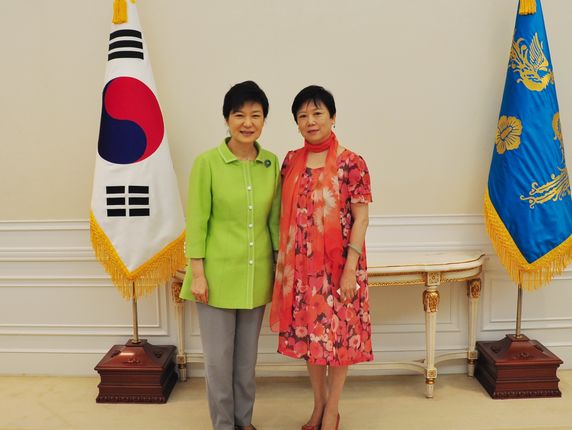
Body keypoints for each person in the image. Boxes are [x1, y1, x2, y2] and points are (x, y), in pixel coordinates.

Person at [270, 85, 373, 430]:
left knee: (338, 341)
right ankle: (318, 406)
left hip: (339, 268)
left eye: (317, 113)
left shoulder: (351, 162)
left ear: (332, 117)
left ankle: (332, 410)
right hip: (301, 270)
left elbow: (361, 217)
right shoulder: (290, 161)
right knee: (310, 342)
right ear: (296, 123)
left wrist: (350, 269)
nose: (310, 121)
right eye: (302, 116)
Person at [180, 81, 280, 430]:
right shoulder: (207, 163)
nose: (247, 122)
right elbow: (197, 222)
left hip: (256, 277)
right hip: (216, 278)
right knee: (218, 362)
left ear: (264, 120)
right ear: (227, 119)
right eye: (239, 114)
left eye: (256, 115)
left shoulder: (271, 163)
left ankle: (244, 422)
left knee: (245, 362)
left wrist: (281, 267)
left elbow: (275, 223)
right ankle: (224, 425)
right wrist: (198, 273)